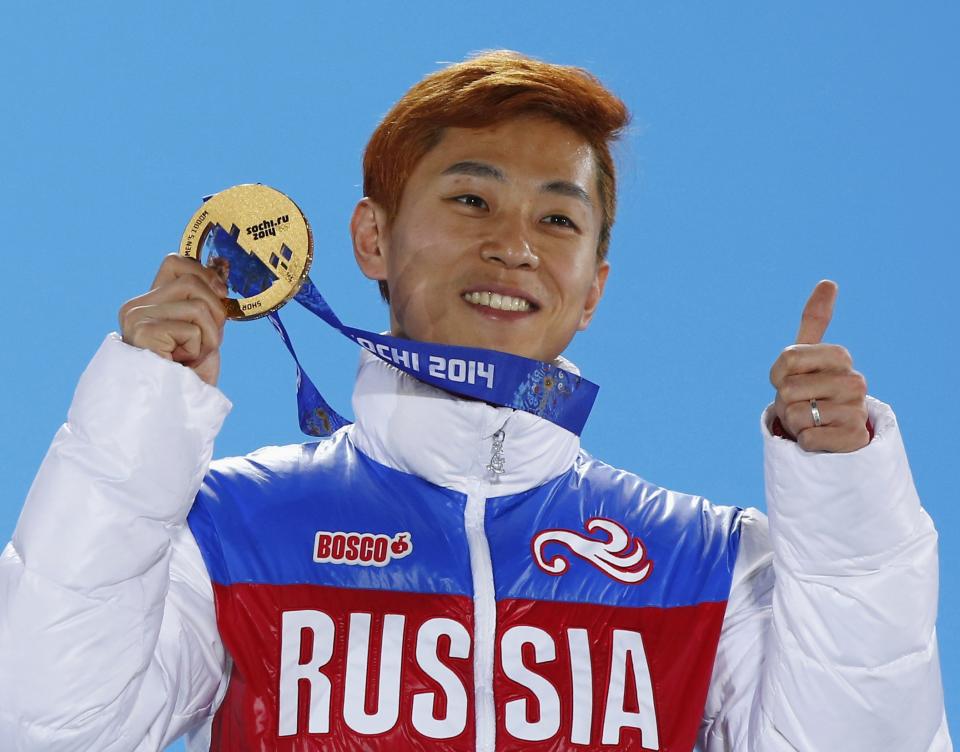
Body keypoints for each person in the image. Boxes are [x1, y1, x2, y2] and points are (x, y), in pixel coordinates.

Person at [0, 51, 949, 752]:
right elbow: (46, 723)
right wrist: (136, 421)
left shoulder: (707, 564)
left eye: (558, 218)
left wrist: (844, 502)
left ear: (594, 289)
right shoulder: (232, 527)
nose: (515, 246)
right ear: (371, 241)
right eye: (469, 200)